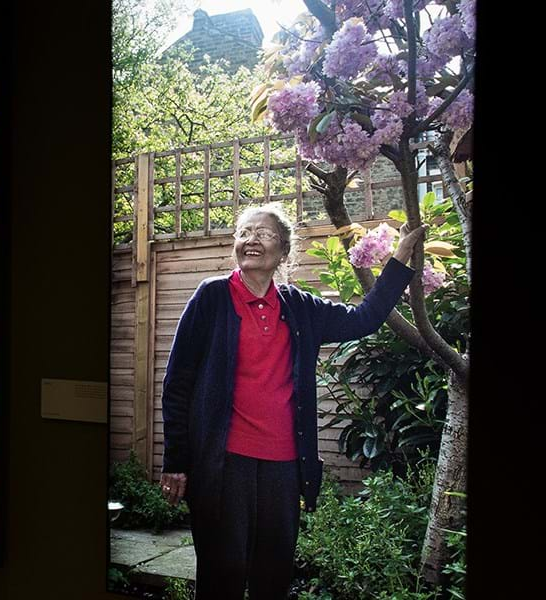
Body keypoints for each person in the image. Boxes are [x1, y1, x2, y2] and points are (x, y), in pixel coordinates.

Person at [159, 203, 423, 599]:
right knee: (222, 573)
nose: (250, 241)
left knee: (273, 575)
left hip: (283, 467)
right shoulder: (211, 297)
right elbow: (177, 383)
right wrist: (177, 461)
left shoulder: (299, 306)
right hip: (223, 463)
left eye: (262, 234)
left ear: (283, 250)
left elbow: (363, 319)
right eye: (244, 233)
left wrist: (400, 259)